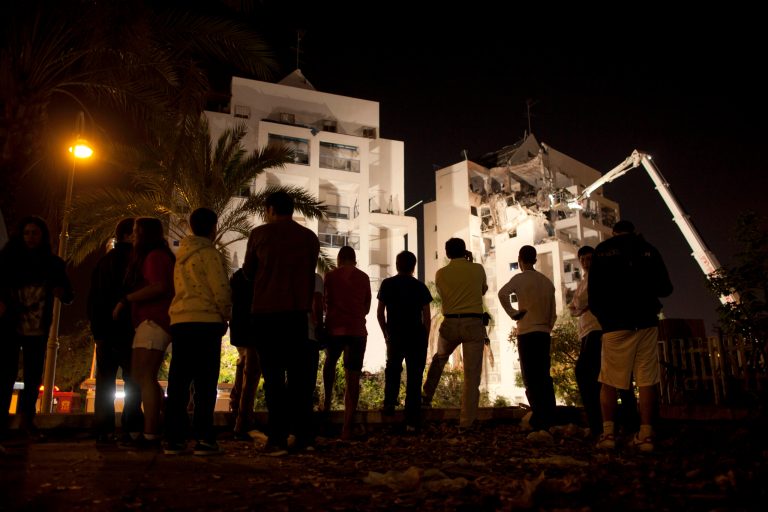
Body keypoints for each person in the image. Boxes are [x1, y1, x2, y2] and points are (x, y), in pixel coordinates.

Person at [243, 191, 320, 453]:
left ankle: (277, 437)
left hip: (266, 312)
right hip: (297, 313)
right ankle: (303, 436)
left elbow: (248, 272)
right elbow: (310, 272)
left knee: (273, 376)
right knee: (299, 378)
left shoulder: (259, 235)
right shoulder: (308, 237)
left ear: (271, 209)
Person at [589, 220, 672, 452]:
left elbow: (593, 293)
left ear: (613, 232)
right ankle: (646, 435)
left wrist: (604, 317)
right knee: (646, 379)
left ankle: (608, 434)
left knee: (609, 380)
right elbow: (666, 288)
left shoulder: (602, 250)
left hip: (615, 323)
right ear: (634, 231)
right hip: (645, 321)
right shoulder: (649, 249)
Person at [163, 208, 232, 456]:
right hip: (206, 321)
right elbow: (220, 288)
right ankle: (204, 437)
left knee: (179, 382)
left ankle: (175, 438)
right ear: (213, 227)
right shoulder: (210, 254)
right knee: (205, 382)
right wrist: (226, 315)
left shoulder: (181, 255)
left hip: (181, 321)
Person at [0, 216, 73, 442]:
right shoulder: (8, 260)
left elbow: (68, 293)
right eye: (27, 233)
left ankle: (26, 421)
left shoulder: (53, 264)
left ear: (42, 236)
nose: (30, 237)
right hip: (10, 326)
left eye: (35, 233)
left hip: (38, 328)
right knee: (5, 374)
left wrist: (61, 292)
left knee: (33, 377)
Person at [112, 217, 175, 450]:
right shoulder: (158, 256)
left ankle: (150, 433)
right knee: (142, 376)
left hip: (153, 321)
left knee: (145, 376)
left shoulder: (155, 257)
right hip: (150, 321)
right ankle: (160, 423)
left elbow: (159, 286)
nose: (133, 236)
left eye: (137, 232)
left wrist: (127, 299)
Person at [568, 245, 638, 438]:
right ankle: (612, 423)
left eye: (589, 258)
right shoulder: (584, 280)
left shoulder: (597, 276)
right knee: (601, 376)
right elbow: (573, 308)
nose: (586, 262)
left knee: (590, 375)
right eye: (583, 259)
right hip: (587, 331)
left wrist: (581, 305)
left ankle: (603, 424)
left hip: (597, 329)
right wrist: (580, 306)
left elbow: (579, 302)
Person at [422, 238, 488, 433]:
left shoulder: (441, 273)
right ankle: (466, 422)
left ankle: (426, 397)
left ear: (447, 253)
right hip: (473, 323)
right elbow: (482, 290)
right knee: (471, 375)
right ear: (465, 251)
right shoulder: (477, 269)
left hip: (450, 323)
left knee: (439, 359)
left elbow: (443, 294)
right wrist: (471, 263)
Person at [87, 217, 143, 444]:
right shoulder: (137, 262)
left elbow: (94, 300)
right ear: (129, 235)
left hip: (106, 332)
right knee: (134, 381)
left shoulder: (105, 262)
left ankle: (104, 429)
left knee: (105, 383)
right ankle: (131, 427)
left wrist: (97, 332)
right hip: (130, 331)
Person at [498, 245, 557, 432]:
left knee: (530, 377)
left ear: (519, 261)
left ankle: (538, 418)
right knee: (544, 375)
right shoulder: (547, 282)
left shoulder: (519, 279)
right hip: (543, 332)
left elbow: (502, 293)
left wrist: (513, 313)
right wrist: (547, 327)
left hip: (526, 332)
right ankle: (549, 416)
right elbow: (553, 313)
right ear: (535, 260)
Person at [377, 250, 432, 432]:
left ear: (397, 265)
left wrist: (386, 334)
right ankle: (411, 420)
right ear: (413, 267)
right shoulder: (420, 287)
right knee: (415, 377)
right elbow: (427, 317)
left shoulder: (387, 284)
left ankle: (389, 405)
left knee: (393, 369)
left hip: (395, 335)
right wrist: (425, 337)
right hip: (416, 337)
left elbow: (380, 313)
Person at [323, 246, 371, 440]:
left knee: (330, 363)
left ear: (339, 259)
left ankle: (326, 405)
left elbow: (325, 302)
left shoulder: (330, 276)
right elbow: (367, 307)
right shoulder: (364, 277)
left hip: (335, 329)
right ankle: (347, 427)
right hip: (357, 331)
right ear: (354, 259)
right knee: (353, 377)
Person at [228, 267, 261, 440]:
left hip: (239, 328)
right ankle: (243, 420)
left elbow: (230, 298)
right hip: (253, 328)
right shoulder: (262, 275)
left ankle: (236, 408)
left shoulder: (238, 276)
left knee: (244, 365)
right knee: (251, 373)